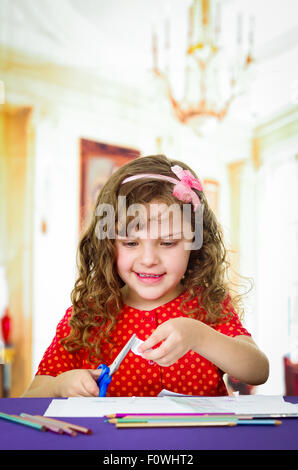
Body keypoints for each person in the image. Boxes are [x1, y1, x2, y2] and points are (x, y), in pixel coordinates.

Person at [23, 154, 269, 397]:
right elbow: (31, 396)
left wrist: (200, 336)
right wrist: (59, 386)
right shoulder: (89, 314)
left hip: (199, 437)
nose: (149, 259)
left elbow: (258, 371)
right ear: (108, 245)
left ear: (195, 244)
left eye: (168, 242)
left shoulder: (207, 305)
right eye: (131, 243)